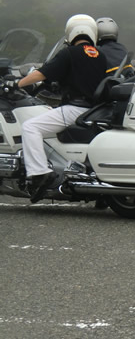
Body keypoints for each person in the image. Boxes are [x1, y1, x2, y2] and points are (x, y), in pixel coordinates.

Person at [17, 14, 108, 203]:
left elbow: (42, 73)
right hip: (93, 110)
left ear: (70, 32)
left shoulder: (69, 53)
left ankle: (39, 173)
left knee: (30, 127)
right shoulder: (100, 55)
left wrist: (17, 83)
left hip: (74, 109)